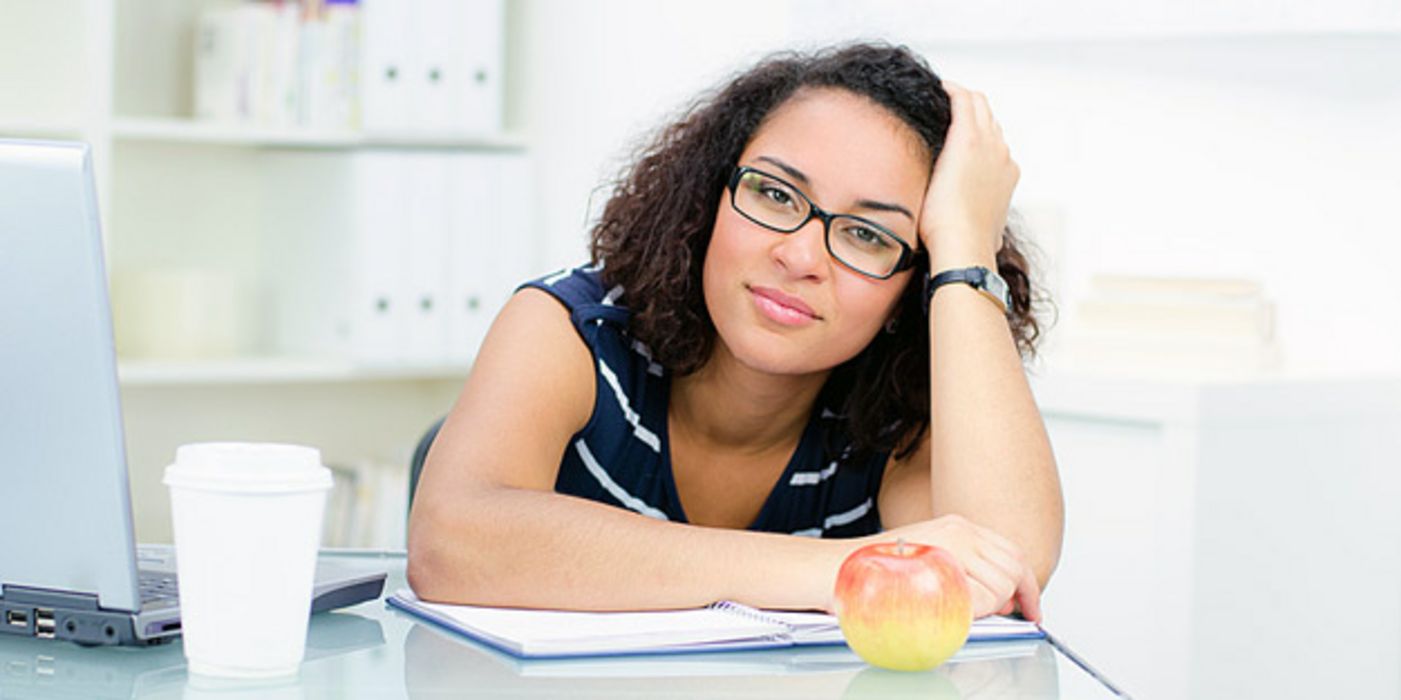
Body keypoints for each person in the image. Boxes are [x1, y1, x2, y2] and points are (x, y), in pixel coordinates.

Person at [407, 43, 1063, 623]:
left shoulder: (894, 413)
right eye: (775, 195)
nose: (801, 258)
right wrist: (841, 568)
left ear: (910, 288)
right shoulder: (573, 327)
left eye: (867, 235)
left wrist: (964, 251)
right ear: (707, 195)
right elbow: (451, 542)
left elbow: (1005, 567)